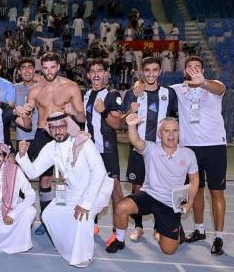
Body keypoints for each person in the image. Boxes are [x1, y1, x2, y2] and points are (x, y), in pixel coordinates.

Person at [16, 112, 112, 267]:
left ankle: (83, 257)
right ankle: (67, 248)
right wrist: (22, 155)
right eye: (53, 128)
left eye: (61, 126)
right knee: (48, 215)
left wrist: (85, 204)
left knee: (82, 217)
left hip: (97, 190)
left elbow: (99, 173)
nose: (57, 131)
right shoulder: (50, 147)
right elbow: (33, 172)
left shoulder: (84, 142)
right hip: (72, 191)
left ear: (68, 126)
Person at [107, 114, 198, 255]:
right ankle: (119, 240)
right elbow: (135, 140)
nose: (171, 135)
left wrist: (190, 202)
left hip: (170, 203)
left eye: (175, 130)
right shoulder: (151, 149)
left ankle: (165, 230)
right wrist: (131, 125)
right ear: (159, 133)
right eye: (167, 131)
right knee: (121, 207)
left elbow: (194, 180)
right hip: (149, 195)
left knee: (169, 250)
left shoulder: (188, 154)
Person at [22, 52, 86, 234]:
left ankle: (66, 217)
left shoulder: (71, 87)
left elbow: (82, 117)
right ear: (41, 68)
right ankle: (46, 218)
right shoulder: (34, 90)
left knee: (67, 179)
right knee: (44, 179)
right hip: (43, 133)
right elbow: (27, 122)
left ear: (58, 67)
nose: (49, 71)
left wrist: (73, 111)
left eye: (52, 67)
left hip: (65, 134)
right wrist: (23, 113)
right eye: (45, 68)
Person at [170, 56, 228, 255]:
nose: (193, 70)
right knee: (196, 191)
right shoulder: (178, 89)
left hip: (215, 146)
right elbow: (155, 90)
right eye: (190, 67)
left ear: (203, 70)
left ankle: (219, 236)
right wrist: (138, 83)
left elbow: (220, 89)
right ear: (185, 71)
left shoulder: (214, 86)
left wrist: (203, 82)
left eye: (197, 67)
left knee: (216, 192)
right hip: (190, 149)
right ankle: (200, 230)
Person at [122, 57, 178, 241]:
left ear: (160, 71)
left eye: (155, 70)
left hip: (161, 149)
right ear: (142, 71)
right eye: (147, 70)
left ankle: (158, 227)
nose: (151, 74)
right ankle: (138, 227)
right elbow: (125, 118)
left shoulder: (169, 93)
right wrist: (131, 110)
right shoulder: (134, 92)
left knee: (160, 187)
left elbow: (175, 119)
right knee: (137, 186)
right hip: (139, 146)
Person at [82, 58, 124, 241]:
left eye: (100, 70)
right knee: (90, 187)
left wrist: (104, 111)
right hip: (89, 151)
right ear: (88, 75)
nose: (97, 74)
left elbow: (116, 124)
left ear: (105, 73)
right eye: (93, 71)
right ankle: (93, 224)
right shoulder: (86, 95)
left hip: (107, 150)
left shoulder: (112, 95)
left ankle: (118, 233)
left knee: (115, 190)